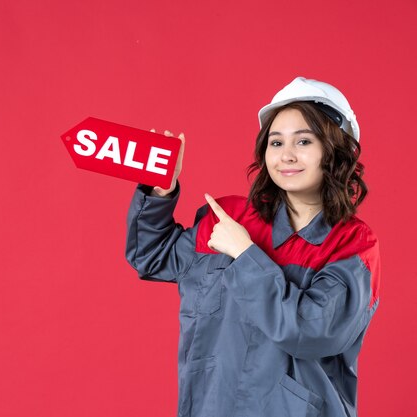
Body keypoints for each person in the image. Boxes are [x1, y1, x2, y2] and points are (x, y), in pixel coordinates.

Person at [125, 76, 380, 417]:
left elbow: (311, 332)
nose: (286, 155)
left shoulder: (352, 245)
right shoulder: (229, 217)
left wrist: (246, 256)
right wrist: (159, 193)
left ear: (336, 152)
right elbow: (152, 257)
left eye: (303, 141)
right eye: (276, 143)